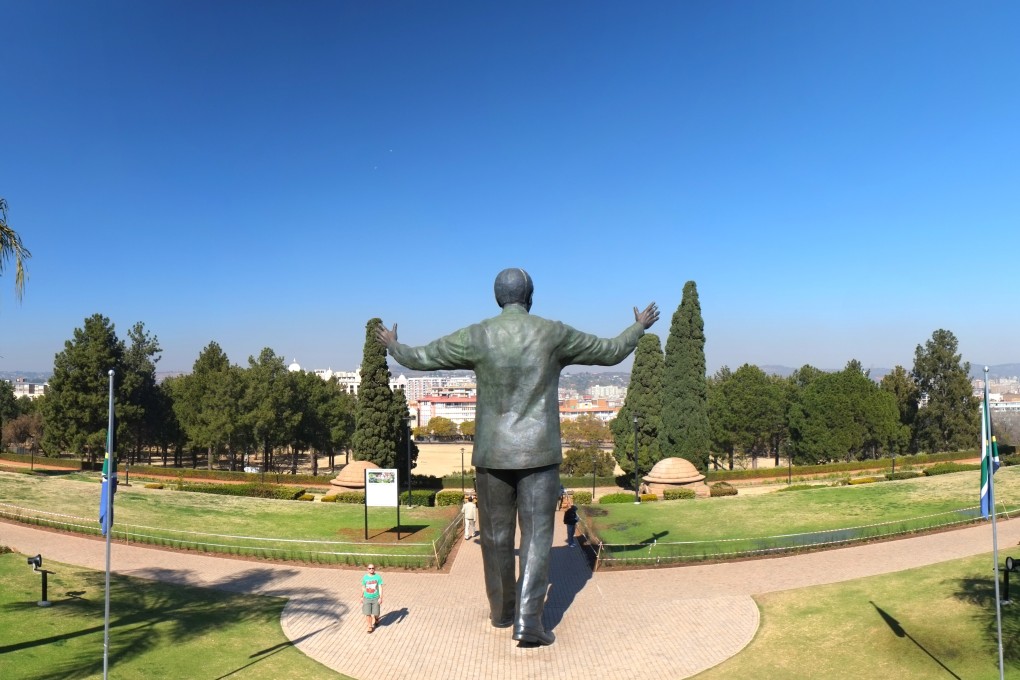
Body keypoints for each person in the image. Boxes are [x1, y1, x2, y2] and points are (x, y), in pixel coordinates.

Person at [376, 268, 658, 646]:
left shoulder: (478, 334)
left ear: (497, 299)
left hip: (492, 453)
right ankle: (529, 621)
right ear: (531, 296)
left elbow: (424, 357)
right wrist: (637, 328)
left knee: (494, 538)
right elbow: (609, 352)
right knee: (538, 537)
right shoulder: (553, 332)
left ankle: (502, 612)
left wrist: (395, 346)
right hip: (539, 452)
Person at [361, 564, 383, 633]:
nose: (371, 569)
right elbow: (363, 587)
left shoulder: (378, 577)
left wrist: (380, 597)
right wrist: (361, 596)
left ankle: (376, 619)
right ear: (367, 569)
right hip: (367, 598)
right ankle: (370, 626)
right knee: (368, 613)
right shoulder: (365, 577)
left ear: (374, 569)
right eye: (369, 568)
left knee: (376, 613)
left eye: (372, 568)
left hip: (375, 598)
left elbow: (380, 588)